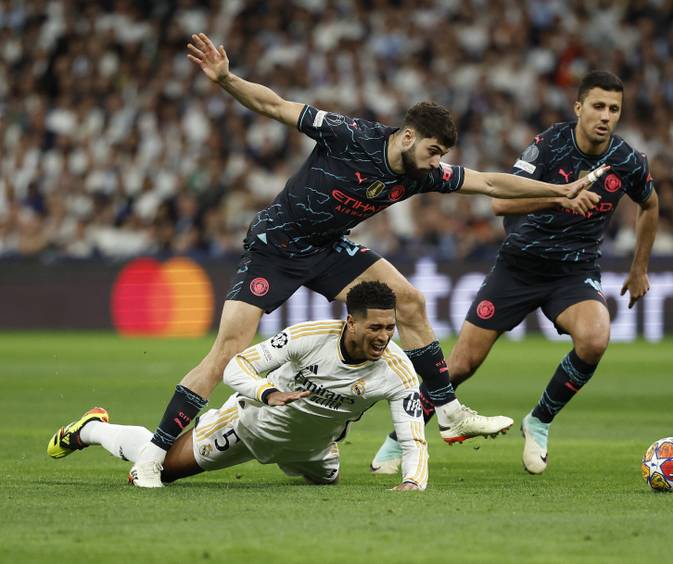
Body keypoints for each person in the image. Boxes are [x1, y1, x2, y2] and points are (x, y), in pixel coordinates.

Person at [127, 34, 605, 488]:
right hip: (276, 245)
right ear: (408, 136)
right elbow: (275, 106)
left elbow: (491, 182)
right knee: (227, 353)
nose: (436, 162)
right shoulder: (350, 134)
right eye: (433, 151)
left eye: (441, 155)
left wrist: (559, 191)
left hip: (327, 247)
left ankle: (447, 410)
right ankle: (151, 456)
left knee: (409, 301)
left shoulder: (423, 173)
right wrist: (227, 80)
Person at [370, 70, 659, 475]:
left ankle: (539, 420)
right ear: (579, 107)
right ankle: (400, 438)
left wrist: (640, 267)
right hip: (518, 266)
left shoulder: (627, 160)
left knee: (595, 339)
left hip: (573, 271)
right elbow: (500, 204)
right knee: (461, 365)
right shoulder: (548, 145)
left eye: (614, 109)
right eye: (598, 106)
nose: (606, 116)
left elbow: (650, 204)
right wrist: (559, 200)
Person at [48, 282, 428, 491]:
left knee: (328, 484)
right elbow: (236, 365)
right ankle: (92, 429)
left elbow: (413, 438)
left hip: (313, 450)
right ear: (351, 322)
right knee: (162, 469)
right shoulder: (309, 337)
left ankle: (315, 456)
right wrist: (267, 392)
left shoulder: (398, 371)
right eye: (375, 327)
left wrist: (413, 481)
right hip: (247, 426)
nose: (384, 337)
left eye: (390, 328)